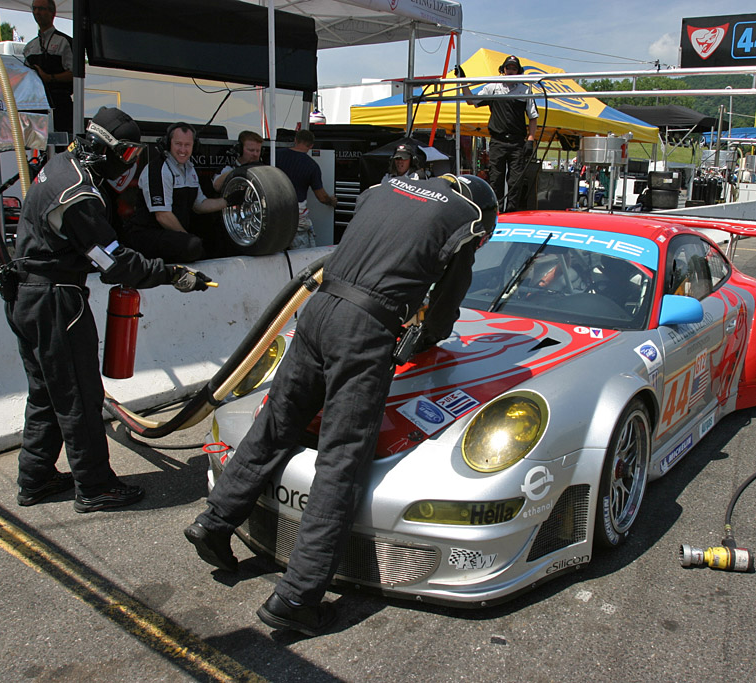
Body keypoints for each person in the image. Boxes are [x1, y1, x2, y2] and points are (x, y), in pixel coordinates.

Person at [184, 173, 499, 636]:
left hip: (318, 311)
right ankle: (298, 596)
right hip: (364, 331)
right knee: (342, 462)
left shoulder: (387, 187)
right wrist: (424, 341)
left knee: (276, 423)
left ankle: (214, 522)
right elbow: (446, 308)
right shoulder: (464, 219)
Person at [4, 107, 214, 513]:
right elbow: (113, 263)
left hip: (27, 296)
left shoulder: (63, 165)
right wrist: (173, 274)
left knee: (47, 392)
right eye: (130, 155)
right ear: (107, 149)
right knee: (80, 394)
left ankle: (36, 477)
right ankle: (95, 485)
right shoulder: (79, 193)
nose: (132, 164)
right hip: (55, 300)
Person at [122, 122, 226, 263]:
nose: (183, 149)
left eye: (187, 145)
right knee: (192, 246)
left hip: (170, 234)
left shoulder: (189, 169)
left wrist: (228, 201)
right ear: (168, 143)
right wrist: (186, 237)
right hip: (145, 234)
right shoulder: (158, 169)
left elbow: (200, 205)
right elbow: (162, 216)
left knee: (215, 238)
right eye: (178, 144)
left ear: (194, 146)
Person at [459, 54, 539, 212]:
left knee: (515, 181)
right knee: (496, 179)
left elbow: (533, 117)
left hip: (517, 143)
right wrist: (462, 81)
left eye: (514, 68)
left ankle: (512, 213)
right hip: (498, 141)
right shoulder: (493, 87)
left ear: (518, 72)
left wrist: (530, 139)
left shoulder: (525, 90)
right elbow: (471, 101)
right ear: (503, 70)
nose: (510, 71)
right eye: (508, 68)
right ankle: (496, 212)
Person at [275, 130, 338, 249]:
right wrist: (331, 201)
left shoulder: (276, 155)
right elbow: (321, 196)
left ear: (295, 140)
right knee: (300, 256)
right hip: (297, 216)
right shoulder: (312, 166)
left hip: (276, 212)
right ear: (311, 146)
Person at [23, 0, 73, 135]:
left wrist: (49, 78)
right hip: (37, 105)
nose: (37, 12)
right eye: (34, 8)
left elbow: (75, 74)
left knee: (63, 147)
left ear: (52, 12)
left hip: (60, 103)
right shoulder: (30, 46)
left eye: (41, 9)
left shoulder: (64, 42)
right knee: (40, 147)